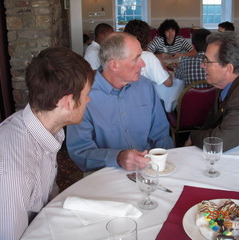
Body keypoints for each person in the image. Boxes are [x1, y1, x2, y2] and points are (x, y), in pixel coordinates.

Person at [0, 47, 94, 239]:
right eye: (85, 94)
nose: (88, 100)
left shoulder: (41, 128)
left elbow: (46, 200)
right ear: (67, 102)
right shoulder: (14, 174)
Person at [66, 32, 174, 172]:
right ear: (114, 65)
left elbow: (161, 134)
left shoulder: (145, 86)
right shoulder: (84, 96)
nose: (143, 64)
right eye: (136, 59)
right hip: (105, 174)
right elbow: (80, 152)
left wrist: (163, 164)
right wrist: (117, 158)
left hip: (149, 170)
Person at [124, 19, 172, 88]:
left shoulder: (120, 54)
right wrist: (163, 65)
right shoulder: (149, 57)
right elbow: (169, 83)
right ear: (147, 37)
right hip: (144, 96)